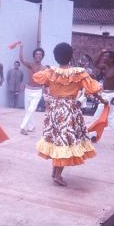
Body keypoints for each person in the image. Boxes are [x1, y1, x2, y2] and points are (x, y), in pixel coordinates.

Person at [33, 42, 105, 186]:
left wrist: (49, 96)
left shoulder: (50, 72)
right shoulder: (79, 73)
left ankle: (55, 171)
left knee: (57, 140)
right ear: (71, 56)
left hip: (54, 111)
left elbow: (42, 82)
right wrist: (103, 100)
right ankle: (57, 174)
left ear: (55, 57)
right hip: (69, 111)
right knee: (64, 142)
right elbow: (92, 89)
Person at [89, 49, 114, 146]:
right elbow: (94, 63)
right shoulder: (105, 67)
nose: (104, 58)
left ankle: (93, 137)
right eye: (104, 56)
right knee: (110, 118)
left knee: (98, 116)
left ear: (111, 60)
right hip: (105, 94)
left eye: (106, 56)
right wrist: (101, 52)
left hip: (110, 96)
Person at [17, 42, 47, 135]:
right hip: (28, 90)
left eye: (40, 54)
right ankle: (31, 126)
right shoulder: (30, 65)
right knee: (28, 110)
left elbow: (46, 81)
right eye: (36, 54)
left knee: (31, 109)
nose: (38, 56)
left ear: (42, 57)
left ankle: (22, 127)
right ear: (34, 56)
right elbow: (21, 59)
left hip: (38, 91)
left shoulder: (44, 68)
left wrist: (46, 92)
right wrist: (21, 47)